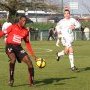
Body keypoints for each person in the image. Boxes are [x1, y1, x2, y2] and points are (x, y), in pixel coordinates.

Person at [0, 15, 37, 86]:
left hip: (18, 48)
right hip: (10, 46)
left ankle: (31, 82)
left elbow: (27, 43)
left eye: (25, 21)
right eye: (23, 20)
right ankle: (11, 79)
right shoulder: (12, 27)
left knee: (29, 62)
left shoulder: (25, 31)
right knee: (13, 59)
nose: (24, 22)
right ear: (19, 20)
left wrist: (33, 55)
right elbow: (2, 33)